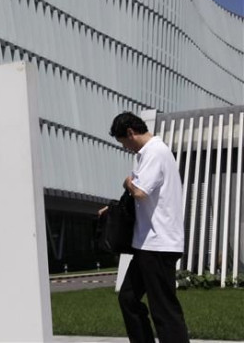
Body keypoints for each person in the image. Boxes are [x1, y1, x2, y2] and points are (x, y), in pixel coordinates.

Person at [109, 112, 189, 343]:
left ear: (131, 133)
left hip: (159, 244)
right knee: (128, 299)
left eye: (123, 142)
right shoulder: (150, 154)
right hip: (148, 244)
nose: (126, 147)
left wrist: (127, 182)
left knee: (164, 308)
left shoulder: (154, 152)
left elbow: (140, 192)